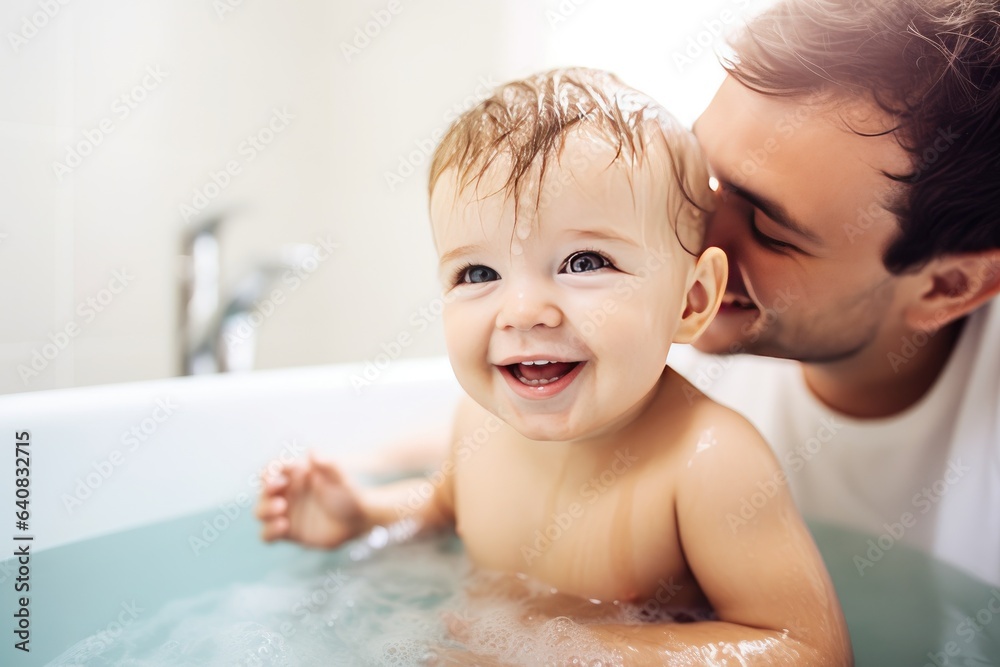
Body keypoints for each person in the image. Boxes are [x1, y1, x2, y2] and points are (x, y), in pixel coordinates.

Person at [256, 68, 853, 665]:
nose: (521, 311)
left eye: (584, 261)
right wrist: (364, 515)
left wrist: (559, 651)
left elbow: (808, 648)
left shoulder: (709, 462)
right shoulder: (479, 423)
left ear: (691, 301)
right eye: (478, 274)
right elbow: (445, 509)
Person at [675, 0, 1000, 587]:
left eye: (770, 232)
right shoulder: (639, 324)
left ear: (948, 286)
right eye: (700, 175)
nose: (691, 242)